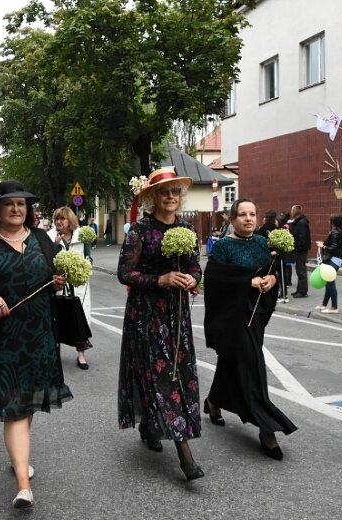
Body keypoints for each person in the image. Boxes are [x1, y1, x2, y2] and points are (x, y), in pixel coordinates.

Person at [0, 180, 72, 509]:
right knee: (14, 408)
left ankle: (18, 457)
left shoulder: (41, 240)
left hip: (39, 336)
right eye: (8, 204)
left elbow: (52, 279)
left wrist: (58, 281)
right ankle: (23, 484)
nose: (16, 208)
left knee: (25, 407)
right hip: (3, 342)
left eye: (21, 203)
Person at [117, 168, 204, 481]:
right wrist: (160, 279)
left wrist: (193, 278)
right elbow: (125, 273)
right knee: (161, 376)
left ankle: (149, 425)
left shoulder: (186, 228)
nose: (170, 197)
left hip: (178, 313)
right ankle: (185, 456)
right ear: (153, 196)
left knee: (178, 374)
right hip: (147, 314)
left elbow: (196, 267)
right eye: (164, 192)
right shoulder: (140, 230)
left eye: (175, 192)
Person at [203, 198, 297, 460]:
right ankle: (267, 428)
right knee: (252, 364)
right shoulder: (222, 247)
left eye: (252, 214)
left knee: (232, 362)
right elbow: (214, 279)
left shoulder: (263, 243)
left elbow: (271, 270)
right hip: (232, 317)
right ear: (232, 219)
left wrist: (271, 279)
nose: (248, 219)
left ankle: (212, 401)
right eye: (242, 214)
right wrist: (248, 281)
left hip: (256, 315)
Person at [47, 206, 93, 369]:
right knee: (58, 319)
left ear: (70, 220)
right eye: (56, 219)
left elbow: (88, 259)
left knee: (80, 318)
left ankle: (81, 355)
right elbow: (47, 262)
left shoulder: (81, 236)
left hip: (78, 286)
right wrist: (55, 246)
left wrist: (83, 269)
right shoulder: (50, 237)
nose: (59, 222)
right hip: (58, 285)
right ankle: (54, 355)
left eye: (62, 219)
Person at [315, 214, 342, 314]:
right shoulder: (340, 231)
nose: (329, 221)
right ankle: (324, 304)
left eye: (330, 220)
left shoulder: (335, 232)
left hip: (332, 259)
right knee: (328, 282)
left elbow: (333, 248)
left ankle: (334, 307)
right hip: (336, 260)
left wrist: (322, 246)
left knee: (330, 283)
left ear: (333, 221)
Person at [289, 204, 311, 298]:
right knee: (299, 270)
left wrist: (297, 247)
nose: (290, 212)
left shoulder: (302, 223)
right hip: (299, 249)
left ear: (295, 212)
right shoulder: (298, 222)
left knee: (301, 270)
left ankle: (302, 291)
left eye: (292, 210)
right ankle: (299, 289)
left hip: (301, 250)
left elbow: (303, 238)